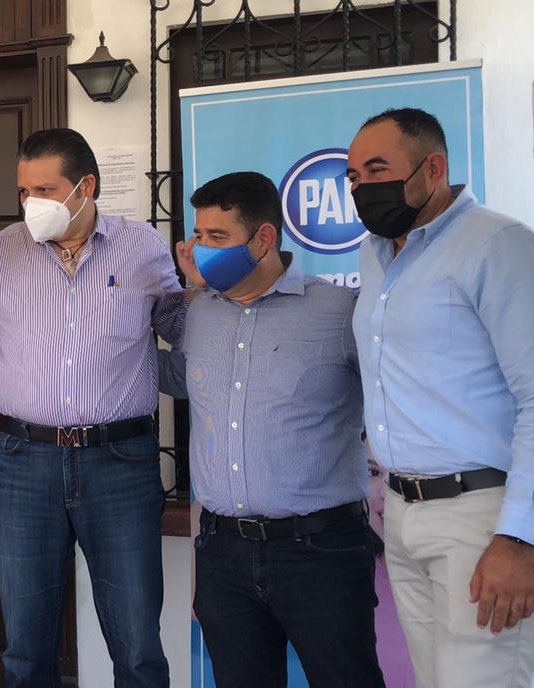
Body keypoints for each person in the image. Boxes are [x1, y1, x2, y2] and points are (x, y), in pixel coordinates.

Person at [0, 127, 184, 687]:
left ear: (85, 187)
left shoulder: (141, 246)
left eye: (44, 190)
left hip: (120, 461)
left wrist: (201, 286)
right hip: (27, 460)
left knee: (137, 643)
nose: (30, 203)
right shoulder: (4, 251)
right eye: (24, 191)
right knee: (26, 646)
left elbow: (179, 327)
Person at [159, 172, 382, 687]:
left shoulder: (338, 311)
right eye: (199, 234)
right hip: (223, 552)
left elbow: (394, 395)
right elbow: (179, 380)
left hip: (321, 552)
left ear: (263, 238)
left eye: (219, 237)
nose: (202, 248)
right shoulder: (200, 314)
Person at [347, 107, 534, 687]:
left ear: (433, 168)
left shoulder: (497, 245)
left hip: (480, 515)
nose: (362, 187)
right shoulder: (374, 256)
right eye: (353, 176)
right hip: (403, 511)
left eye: (377, 170)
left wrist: (519, 537)